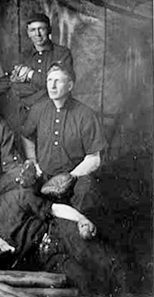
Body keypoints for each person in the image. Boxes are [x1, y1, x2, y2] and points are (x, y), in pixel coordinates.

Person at [0, 162, 128, 296]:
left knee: (104, 262)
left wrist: (81, 219)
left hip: (59, 234)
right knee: (84, 283)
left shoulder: (17, 196)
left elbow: (55, 209)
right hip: (43, 260)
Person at [21, 62, 107, 220]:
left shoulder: (85, 115)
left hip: (75, 182)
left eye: (58, 81)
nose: (52, 86)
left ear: (69, 85)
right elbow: (26, 136)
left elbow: (94, 158)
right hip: (44, 179)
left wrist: (70, 177)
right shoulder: (38, 109)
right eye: (49, 80)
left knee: (86, 199)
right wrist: (33, 162)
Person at [9, 13, 73, 123]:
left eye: (41, 29)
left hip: (55, 114)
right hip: (28, 116)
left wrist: (30, 75)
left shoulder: (62, 54)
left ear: (49, 30)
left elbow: (60, 87)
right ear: (28, 33)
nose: (37, 34)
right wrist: (44, 87)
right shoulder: (23, 56)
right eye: (33, 30)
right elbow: (16, 88)